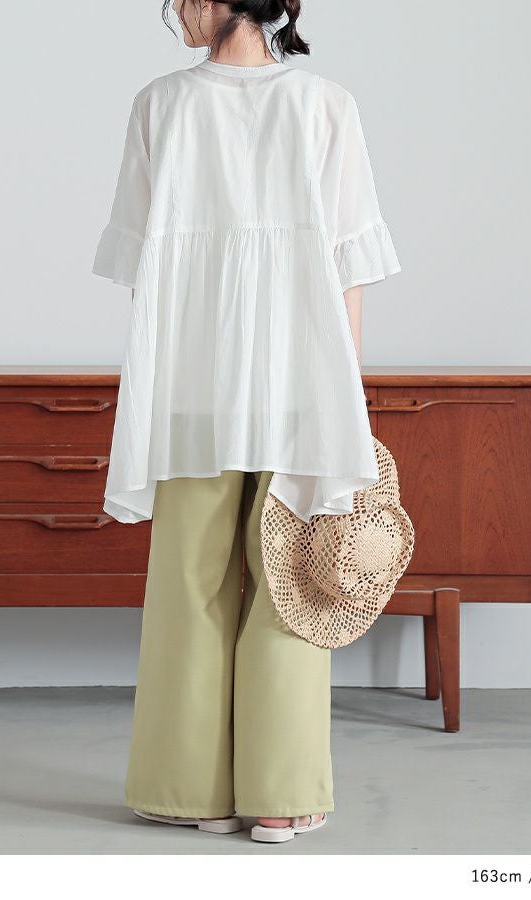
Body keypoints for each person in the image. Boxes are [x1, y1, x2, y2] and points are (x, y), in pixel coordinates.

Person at [92, 0, 400, 843]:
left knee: (187, 581)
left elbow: (141, 269)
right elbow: (348, 265)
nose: (176, 12)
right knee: (292, 581)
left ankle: (187, 789)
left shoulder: (161, 104)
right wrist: (345, 394)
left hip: (192, 384)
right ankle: (280, 793)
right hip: (302, 382)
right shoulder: (326, 104)